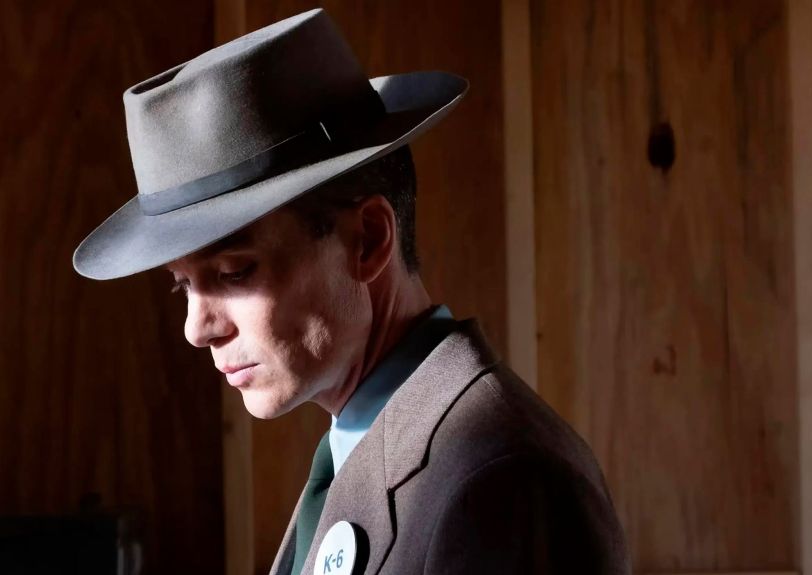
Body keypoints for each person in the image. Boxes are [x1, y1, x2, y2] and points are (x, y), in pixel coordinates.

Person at [73, 8, 628, 575]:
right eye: (183, 286)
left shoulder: (501, 481)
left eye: (234, 272)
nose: (197, 329)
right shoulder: (367, 453)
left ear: (368, 240)